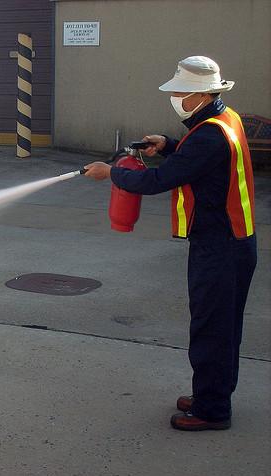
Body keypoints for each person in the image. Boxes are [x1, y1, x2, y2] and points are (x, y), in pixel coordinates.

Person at [84, 56, 257, 431]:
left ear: (198, 95)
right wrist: (168, 144)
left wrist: (110, 173)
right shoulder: (224, 119)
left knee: (212, 328)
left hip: (221, 246)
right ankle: (212, 393)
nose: (174, 98)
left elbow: (157, 181)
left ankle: (212, 411)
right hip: (230, 242)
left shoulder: (210, 133)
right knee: (221, 327)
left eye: (179, 93)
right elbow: (199, 160)